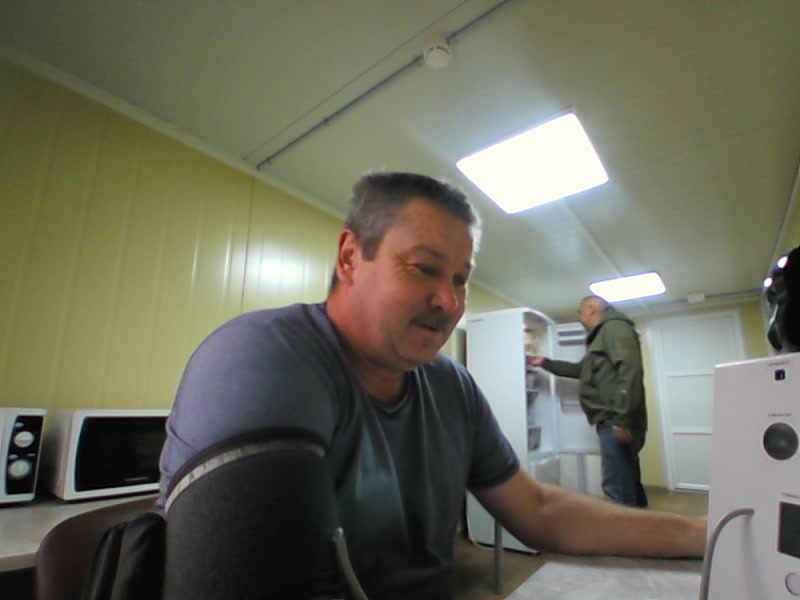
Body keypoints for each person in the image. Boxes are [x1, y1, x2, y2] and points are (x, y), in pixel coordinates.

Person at [157, 171, 705, 600]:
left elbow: (538, 509)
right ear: (351, 257)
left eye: (460, 278)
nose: (449, 301)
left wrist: (701, 534)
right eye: (423, 267)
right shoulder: (262, 356)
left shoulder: (451, 386)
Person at [529, 295, 649, 508]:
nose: (579, 317)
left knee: (617, 485)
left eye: (580, 312)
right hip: (614, 417)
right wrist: (545, 363)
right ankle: (642, 525)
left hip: (615, 417)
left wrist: (622, 419)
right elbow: (581, 370)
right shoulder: (602, 335)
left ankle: (621, 529)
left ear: (591, 310)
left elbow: (630, 371)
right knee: (626, 478)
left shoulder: (614, 328)